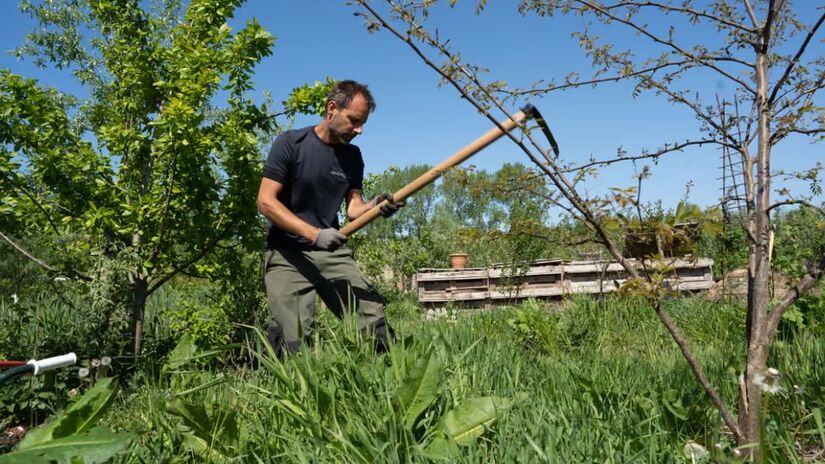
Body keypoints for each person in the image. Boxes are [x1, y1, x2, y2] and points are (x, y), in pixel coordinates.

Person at [257, 80, 403, 356]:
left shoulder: (352, 157)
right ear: (332, 108)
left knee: (372, 319)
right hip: (287, 254)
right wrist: (313, 234)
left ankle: (391, 383)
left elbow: (354, 208)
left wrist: (376, 205)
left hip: (331, 255)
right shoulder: (291, 143)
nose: (359, 130)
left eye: (363, 123)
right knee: (291, 338)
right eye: (354, 120)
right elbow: (265, 202)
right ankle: (290, 394)